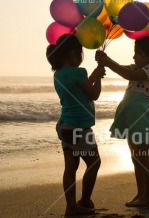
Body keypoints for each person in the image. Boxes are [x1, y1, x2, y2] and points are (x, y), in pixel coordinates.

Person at [96, 35, 149, 207]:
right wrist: (104, 61)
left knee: (143, 157)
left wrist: (108, 62)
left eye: (137, 53)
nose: (134, 57)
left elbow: (128, 74)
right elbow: (123, 68)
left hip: (140, 117)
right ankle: (141, 193)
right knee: (136, 157)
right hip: (130, 116)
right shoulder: (139, 66)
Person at [46, 34, 105, 216]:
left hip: (65, 127)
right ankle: (85, 201)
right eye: (80, 53)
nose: (81, 57)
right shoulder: (79, 73)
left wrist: (95, 73)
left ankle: (71, 206)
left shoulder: (58, 75)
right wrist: (100, 78)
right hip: (79, 128)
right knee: (94, 163)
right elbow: (93, 93)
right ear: (73, 53)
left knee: (70, 168)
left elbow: (81, 87)